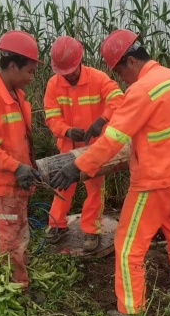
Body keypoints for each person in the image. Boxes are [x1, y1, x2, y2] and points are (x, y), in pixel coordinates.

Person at [50, 30, 170, 316]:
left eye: (119, 70)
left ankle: (131, 309)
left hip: (157, 178)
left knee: (128, 244)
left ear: (131, 61)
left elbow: (111, 140)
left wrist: (78, 167)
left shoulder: (142, 89)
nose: (121, 77)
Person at [0, 30, 43, 302]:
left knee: (19, 233)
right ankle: (16, 292)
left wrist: (25, 167)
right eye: (29, 71)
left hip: (17, 180)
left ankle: (17, 281)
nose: (32, 77)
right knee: (12, 239)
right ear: (12, 66)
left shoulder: (14, 93)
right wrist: (17, 168)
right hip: (6, 183)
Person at [44, 36, 124, 252]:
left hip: (94, 147)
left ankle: (91, 230)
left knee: (95, 188)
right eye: (63, 72)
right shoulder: (53, 84)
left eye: (71, 70)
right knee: (62, 185)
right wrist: (67, 131)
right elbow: (51, 117)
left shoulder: (98, 78)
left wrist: (102, 120)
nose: (68, 75)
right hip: (68, 147)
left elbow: (119, 99)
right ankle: (56, 225)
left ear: (80, 61)